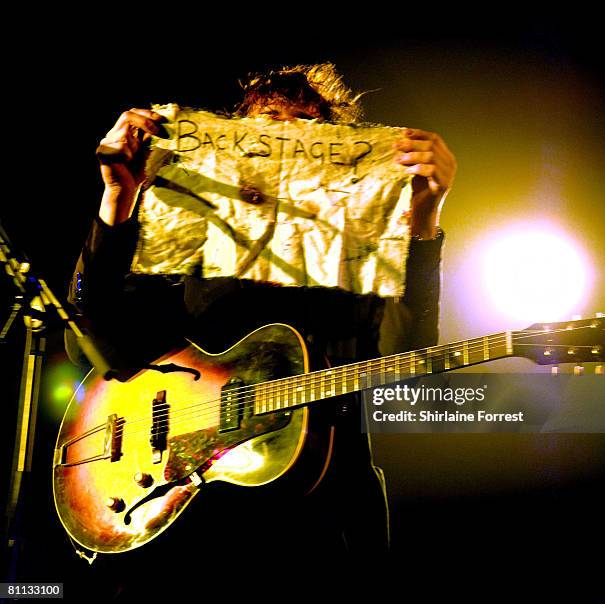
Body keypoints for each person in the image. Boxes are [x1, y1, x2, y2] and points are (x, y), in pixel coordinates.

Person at [64, 63, 455, 572]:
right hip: (188, 522)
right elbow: (91, 344)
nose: (286, 132)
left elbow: (411, 372)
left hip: (319, 523)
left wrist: (424, 220)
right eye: (268, 119)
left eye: (308, 125)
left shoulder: (358, 262)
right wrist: (118, 197)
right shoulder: (193, 245)